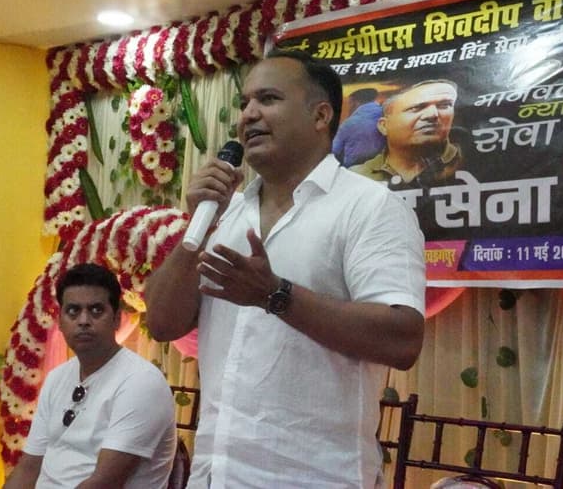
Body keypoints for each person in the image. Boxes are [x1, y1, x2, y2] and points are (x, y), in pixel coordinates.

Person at [144, 49, 425, 488]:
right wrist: (197, 225)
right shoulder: (227, 214)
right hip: (216, 476)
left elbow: (402, 339)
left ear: (321, 116)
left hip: (315, 478)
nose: (249, 115)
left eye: (268, 99)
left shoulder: (370, 207)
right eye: (244, 103)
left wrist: (274, 295)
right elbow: (162, 323)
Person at [4, 263, 176, 489]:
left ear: (116, 319)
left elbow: (104, 483)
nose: (83, 320)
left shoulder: (141, 382)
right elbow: (29, 468)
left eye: (96, 310)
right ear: (60, 321)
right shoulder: (57, 378)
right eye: (73, 311)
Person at [350, 79, 463, 189]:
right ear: (384, 126)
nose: (432, 114)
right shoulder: (357, 177)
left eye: (444, 105)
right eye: (416, 108)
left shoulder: (469, 160)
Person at [332, 87, 386, 167]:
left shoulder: (349, 124)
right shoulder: (388, 116)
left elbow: (334, 150)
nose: (349, 106)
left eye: (350, 103)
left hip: (354, 170)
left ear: (354, 102)